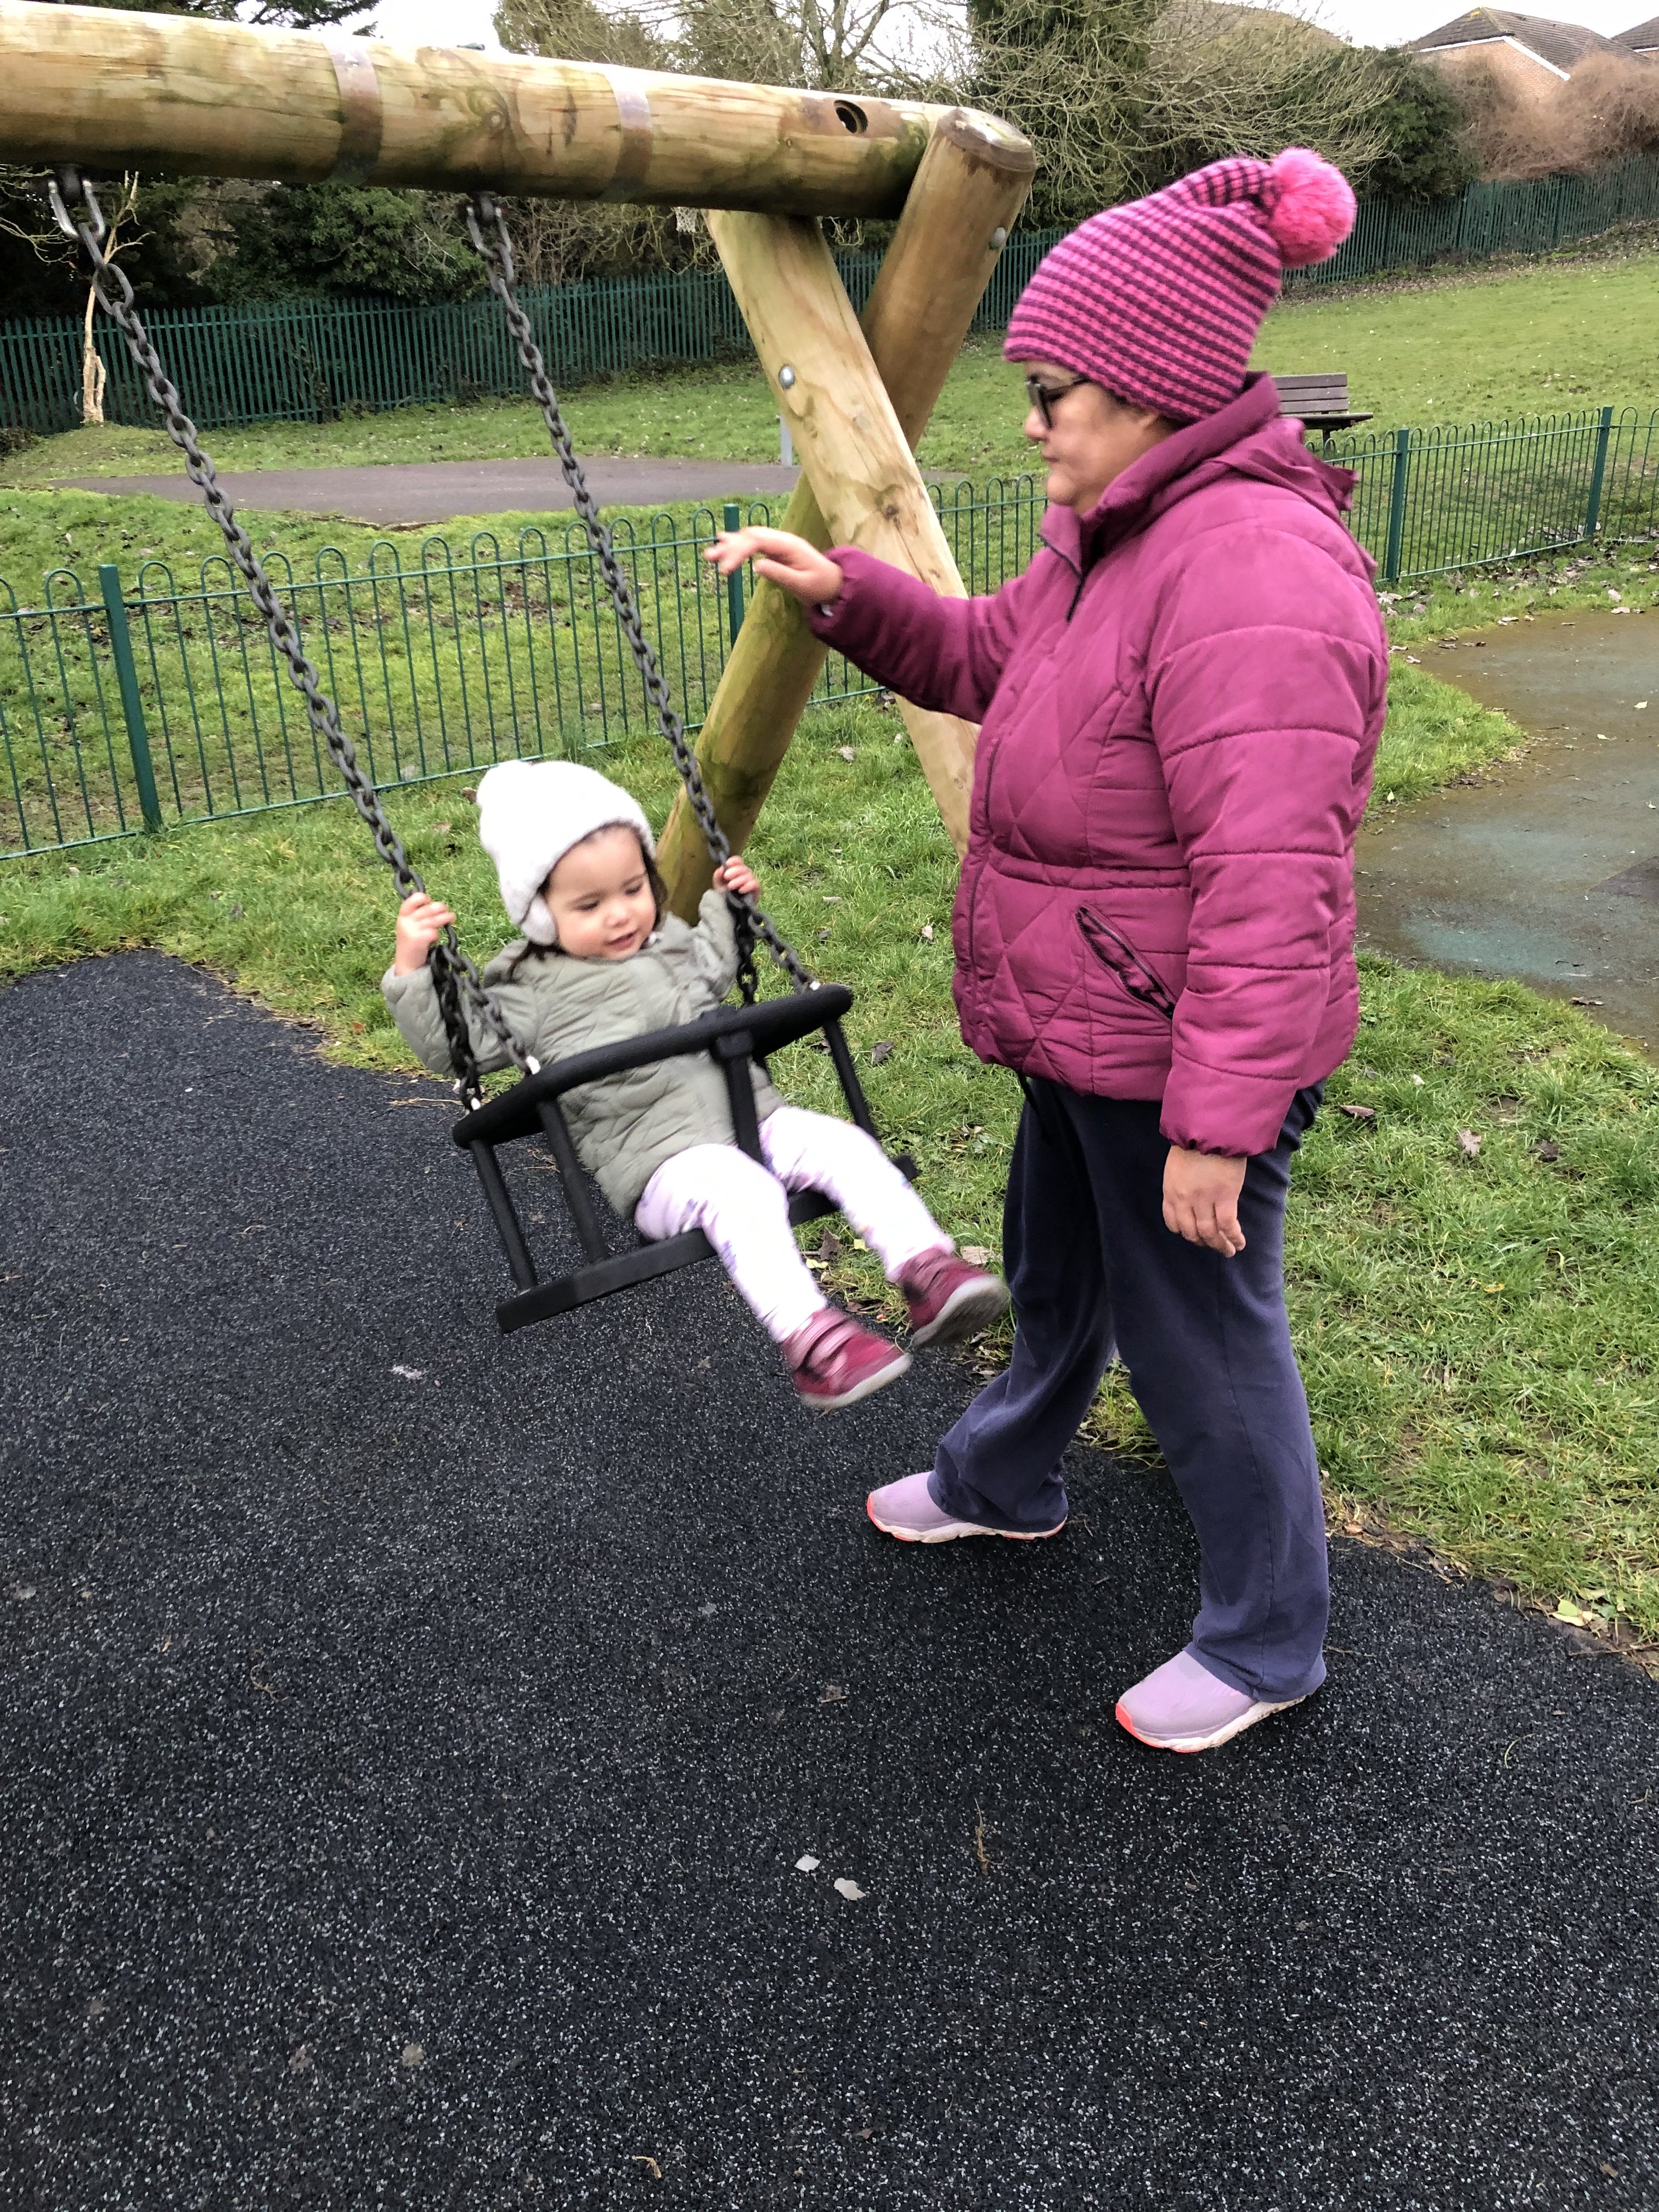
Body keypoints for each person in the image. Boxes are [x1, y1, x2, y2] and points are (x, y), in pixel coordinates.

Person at [705, 149, 1389, 1751]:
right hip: (1090, 1024)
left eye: (1051, 391)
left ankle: (1268, 1638)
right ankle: (1003, 1478)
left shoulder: (1253, 573)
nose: (1030, 422)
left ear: (1150, 387)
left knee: (1202, 1339)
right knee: (1061, 1274)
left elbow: (1275, 877)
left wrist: (1221, 1121)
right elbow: (985, 654)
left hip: (1181, 1058)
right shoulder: (1112, 534)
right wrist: (847, 593)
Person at [383, 758, 1008, 1412]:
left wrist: (730, 906)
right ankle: (816, 1345)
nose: (620, 914)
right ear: (539, 914)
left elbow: (717, 963)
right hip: (663, 1170)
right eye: (589, 905)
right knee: (741, 1189)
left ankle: (926, 1270)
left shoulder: (669, 943)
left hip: (750, 1123)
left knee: (842, 1144)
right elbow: (454, 1047)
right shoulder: (526, 991)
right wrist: (412, 967)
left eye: (633, 888)